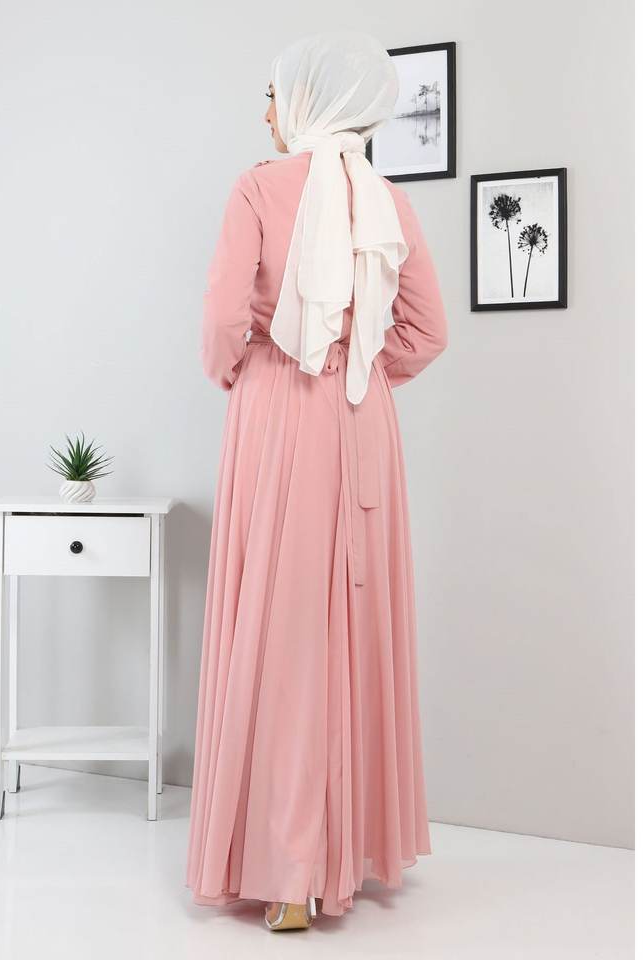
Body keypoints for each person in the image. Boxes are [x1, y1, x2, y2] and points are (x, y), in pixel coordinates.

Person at [185, 30, 448, 932]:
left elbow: (222, 322)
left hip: (280, 414)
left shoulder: (258, 187)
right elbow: (428, 331)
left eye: (273, 93)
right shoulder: (385, 198)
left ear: (305, 101)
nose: (266, 110)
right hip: (362, 418)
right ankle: (346, 852)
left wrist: (248, 373)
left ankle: (287, 874)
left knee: (283, 626)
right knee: (347, 625)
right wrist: (355, 367)